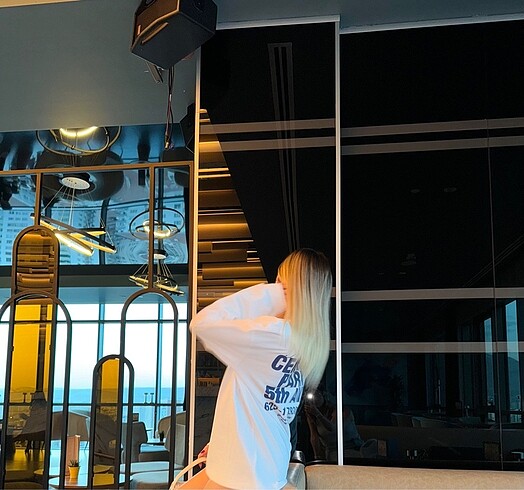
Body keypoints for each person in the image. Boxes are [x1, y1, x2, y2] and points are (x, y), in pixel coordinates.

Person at [186, 248, 332, 489]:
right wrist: (221, 443)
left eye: (279, 282)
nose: (274, 286)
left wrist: (267, 295)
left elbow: (202, 323)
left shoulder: (270, 333)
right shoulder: (304, 343)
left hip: (243, 472)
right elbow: (270, 409)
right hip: (267, 466)